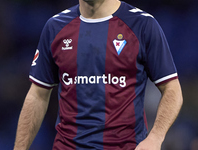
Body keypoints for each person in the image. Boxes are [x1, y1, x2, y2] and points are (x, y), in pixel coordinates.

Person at [13, 0, 183, 150]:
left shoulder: (143, 25)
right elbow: (37, 95)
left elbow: (172, 89)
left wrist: (155, 138)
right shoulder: (55, 26)